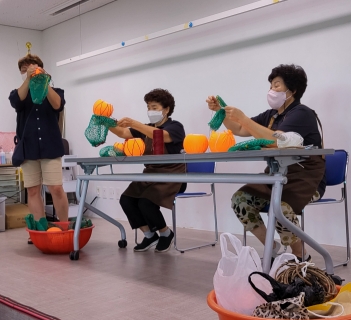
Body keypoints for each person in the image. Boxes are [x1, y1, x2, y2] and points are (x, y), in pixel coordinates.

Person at [206, 64, 325, 261]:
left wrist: (244, 118)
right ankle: (272, 246)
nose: (272, 90)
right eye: (271, 85)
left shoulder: (302, 113)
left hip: (306, 179)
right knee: (240, 200)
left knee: (280, 207)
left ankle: (300, 256)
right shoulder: (271, 115)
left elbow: (279, 140)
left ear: (292, 90)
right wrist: (222, 111)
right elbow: (240, 129)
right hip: (277, 176)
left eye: (277, 85)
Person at [110, 89, 186, 253]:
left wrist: (134, 123)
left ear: (166, 109)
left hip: (173, 177)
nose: (150, 111)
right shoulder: (146, 128)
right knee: (127, 199)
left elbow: (161, 136)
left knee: (145, 202)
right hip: (150, 175)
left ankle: (166, 233)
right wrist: (106, 123)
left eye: (154, 107)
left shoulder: (176, 127)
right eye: (148, 107)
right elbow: (123, 132)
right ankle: (150, 235)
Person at [9, 54, 69, 223]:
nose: (28, 72)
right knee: (33, 190)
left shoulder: (56, 91)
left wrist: (44, 81)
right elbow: (15, 102)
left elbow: (58, 105)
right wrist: (28, 79)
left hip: (51, 147)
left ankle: (64, 226)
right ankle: (39, 227)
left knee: (56, 188)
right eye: (24, 70)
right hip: (28, 148)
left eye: (32, 68)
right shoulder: (19, 94)